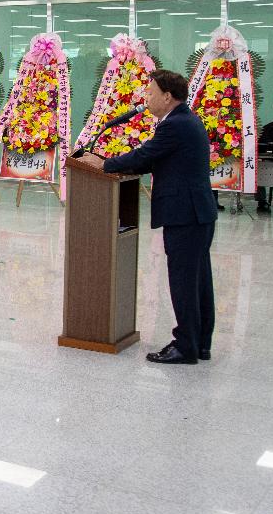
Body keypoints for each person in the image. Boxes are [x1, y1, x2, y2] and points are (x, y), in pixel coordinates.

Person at [78, 69, 217, 365]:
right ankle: (199, 342)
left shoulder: (175, 125)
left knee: (184, 281)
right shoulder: (185, 121)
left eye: (151, 93)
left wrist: (104, 165)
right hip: (197, 213)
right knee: (198, 280)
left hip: (185, 215)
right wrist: (113, 164)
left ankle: (186, 346)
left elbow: (145, 157)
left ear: (167, 97)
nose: (146, 98)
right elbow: (154, 160)